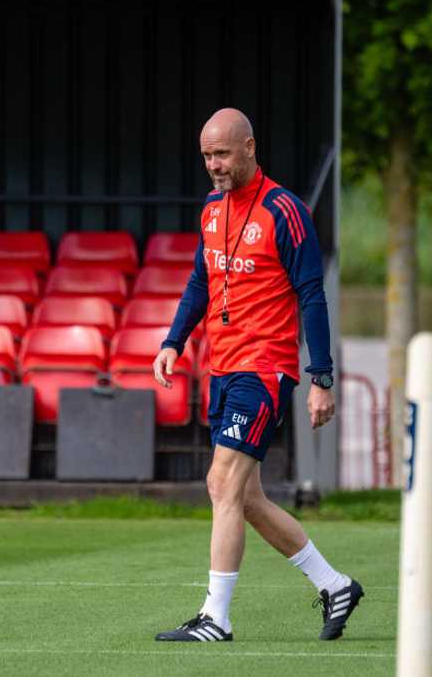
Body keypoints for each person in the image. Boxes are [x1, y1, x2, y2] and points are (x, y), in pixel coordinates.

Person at [153, 108, 362, 643]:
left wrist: (322, 377)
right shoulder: (211, 210)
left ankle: (216, 618)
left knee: (222, 484)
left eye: (222, 154)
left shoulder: (285, 210)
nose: (214, 165)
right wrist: (174, 340)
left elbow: (312, 294)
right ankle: (334, 585)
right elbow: (201, 279)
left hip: (264, 368)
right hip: (221, 366)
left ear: (249, 147)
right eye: (206, 156)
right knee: (242, 497)